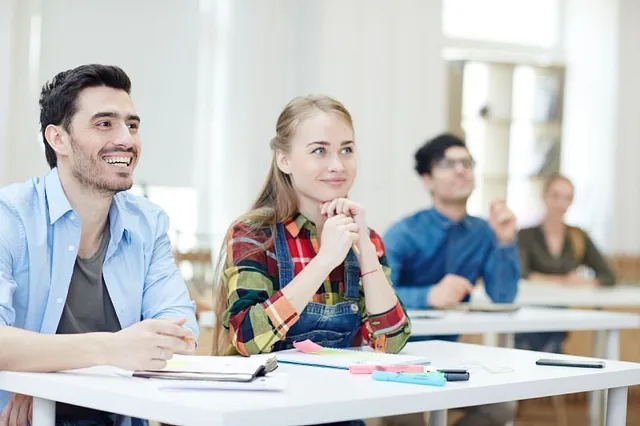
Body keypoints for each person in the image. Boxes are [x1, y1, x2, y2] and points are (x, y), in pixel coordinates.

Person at [0, 64, 198, 426]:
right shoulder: (9, 217)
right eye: (104, 123)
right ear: (57, 138)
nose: (126, 139)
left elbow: (181, 331)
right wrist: (111, 349)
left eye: (132, 125)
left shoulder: (148, 222)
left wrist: (38, 364)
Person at [212, 95, 410, 425]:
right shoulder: (253, 233)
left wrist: (364, 247)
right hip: (264, 414)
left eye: (346, 149)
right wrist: (325, 260)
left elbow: (391, 342)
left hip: (339, 410)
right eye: (320, 150)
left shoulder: (366, 237)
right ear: (284, 160)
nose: (338, 164)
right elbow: (247, 337)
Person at [382, 133, 519, 426]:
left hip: (455, 356)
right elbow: (374, 297)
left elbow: (503, 296)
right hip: (402, 355)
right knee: (405, 416)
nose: (461, 170)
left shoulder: (484, 232)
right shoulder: (403, 233)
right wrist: (428, 296)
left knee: (500, 409)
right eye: (447, 164)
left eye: (466, 163)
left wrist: (505, 243)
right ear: (427, 179)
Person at [515, 174, 616, 353]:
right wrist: (563, 281)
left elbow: (608, 275)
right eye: (555, 196)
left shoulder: (578, 237)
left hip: (560, 320)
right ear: (544, 196)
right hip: (527, 319)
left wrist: (586, 283)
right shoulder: (526, 236)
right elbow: (521, 275)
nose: (561, 203)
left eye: (567, 197)